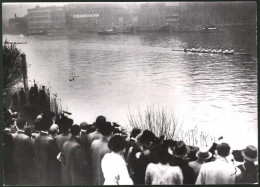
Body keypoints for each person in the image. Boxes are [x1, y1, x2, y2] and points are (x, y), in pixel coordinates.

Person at [34, 116, 58, 185]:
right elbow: (54, 155)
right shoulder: (50, 140)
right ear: (49, 126)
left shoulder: (36, 137)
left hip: (39, 164)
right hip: (48, 166)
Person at [12, 119, 35, 185]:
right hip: (24, 160)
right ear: (25, 125)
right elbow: (31, 151)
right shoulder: (26, 138)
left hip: (15, 158)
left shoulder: (12, 135)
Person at [56, 116, 73, 185]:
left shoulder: (58, 137)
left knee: (64, 177)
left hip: (63, 160)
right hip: (71, 160)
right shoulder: (72, 137)